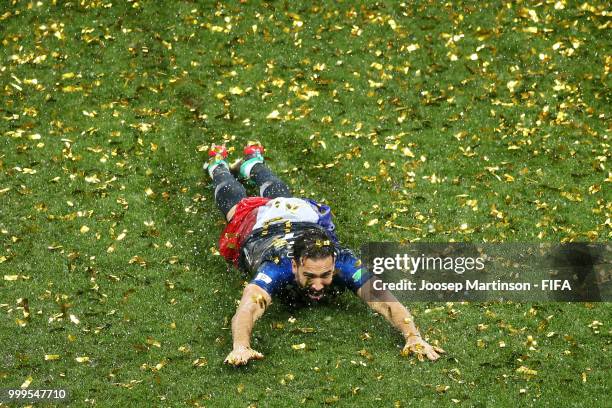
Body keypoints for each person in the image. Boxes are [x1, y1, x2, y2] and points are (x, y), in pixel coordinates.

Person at [204, 142, 444, 366]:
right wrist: (241, 346)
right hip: (261, 227)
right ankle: (218, 166)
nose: (318, 286)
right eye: (310, 276)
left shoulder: (344, 261)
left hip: (303, 216)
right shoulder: (276, 265)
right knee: (236, 207)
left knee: (283, 199)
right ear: (295, 265)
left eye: (325, 276)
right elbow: (248, 307)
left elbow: (386, 302)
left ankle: (252, 164)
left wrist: (413, 337)